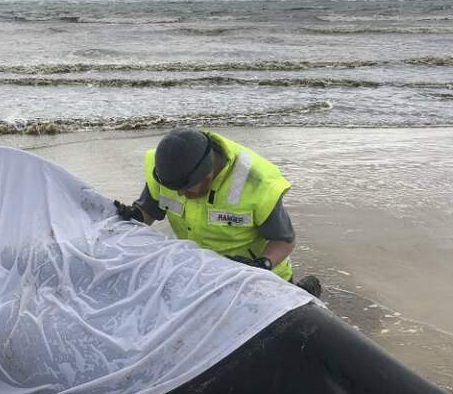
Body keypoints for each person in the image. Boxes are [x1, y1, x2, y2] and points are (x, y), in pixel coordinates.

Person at [114, 127, 321, 296]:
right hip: (203, 274)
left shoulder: (258, 184)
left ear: (208, 174)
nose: (180, 194)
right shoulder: (168, 169)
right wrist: (136, 215)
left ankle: (304, 290)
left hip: (260, 276)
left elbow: (285, 240)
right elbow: (149, 210)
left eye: (187, 190)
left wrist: (260, 265)